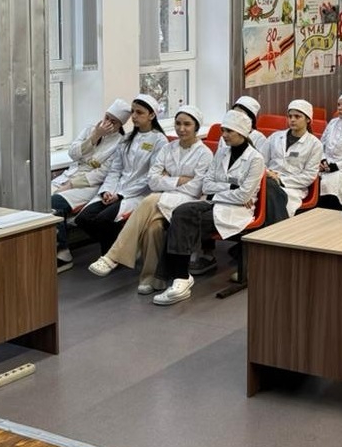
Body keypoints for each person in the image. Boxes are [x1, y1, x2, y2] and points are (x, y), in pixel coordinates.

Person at [87, 106, 212, 290]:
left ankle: (112, 257)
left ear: (196, 127)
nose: (181, 128)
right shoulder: (168, 148)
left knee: (149, 200)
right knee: (154, 228)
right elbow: (152, 181)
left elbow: (195, 188)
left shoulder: (204, 154)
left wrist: (166, 179)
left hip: (188, 202)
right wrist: (180, 180)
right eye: (178, 123)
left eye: (187, 124)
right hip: (165, 196)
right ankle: (152, 279)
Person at [154, 109, 267, 305]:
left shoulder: (255, 159)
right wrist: (230, 187)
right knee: (180, 211)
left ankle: (179, 278)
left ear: (241, 132)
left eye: (229, 131)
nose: (224, 135)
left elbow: (244, 196)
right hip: (215, 202)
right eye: (223, 130)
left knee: (184, 222)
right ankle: (179, 277)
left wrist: (221, 191)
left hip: (236, 210)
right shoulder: (221, 152)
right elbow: (206, 185)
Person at [74, 94, 165, 256]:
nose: (134, 116)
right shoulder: (127, 138)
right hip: (116, 189)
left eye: (139, 112)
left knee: (103, 219)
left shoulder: (159, 141)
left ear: (151, 115)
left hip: (138, 193)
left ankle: (109, 256)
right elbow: (115, 170)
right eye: (133, 111)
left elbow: (151, 177)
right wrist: (108, 191)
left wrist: (121, 195)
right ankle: (121, 249)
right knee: (83, 219)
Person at [51, 99, 132, 270]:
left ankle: (63, 253)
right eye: (107, 117)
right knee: (38, 201)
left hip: (88, 186)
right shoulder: (90, 130)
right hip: (68, 176)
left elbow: (102, 173)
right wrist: (95, 136)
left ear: (120, 125)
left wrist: (71, 184)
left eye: (113, 122)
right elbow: (73, 154)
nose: (108, 123)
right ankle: (47, 249)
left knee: (54, 204)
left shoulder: (120, 142)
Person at [262, 99, 323, 216]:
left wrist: (280, 180)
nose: (292, 120)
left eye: (297, 116)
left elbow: (309, 176)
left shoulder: (315, 144)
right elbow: (261, 161)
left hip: (293, 187)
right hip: (268, 179)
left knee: (271, 193)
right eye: (290, 116)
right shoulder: (275, 137)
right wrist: (268, 173)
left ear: (308, 119)